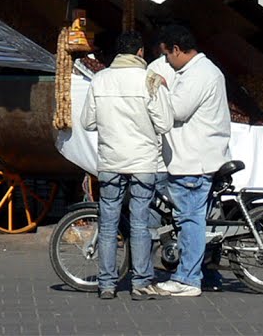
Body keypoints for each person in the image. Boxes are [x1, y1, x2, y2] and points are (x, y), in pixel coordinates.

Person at [81, 31, 173, 300]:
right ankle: (140, 282)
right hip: (143, 162)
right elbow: (165, 124)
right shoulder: (150, 81)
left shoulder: (100, 80)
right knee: (140, 223)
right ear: (141, 53)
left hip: (110, 161)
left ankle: (107, 284)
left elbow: (87, 122)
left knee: (108, 225)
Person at [155, 24, 231, 298]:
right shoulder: (200, 71)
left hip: (193, 160)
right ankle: (205, 273)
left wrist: (160, 88)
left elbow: (176, 110)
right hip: (200, 156)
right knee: (196, 219)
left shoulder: (198, 74)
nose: (165, 61)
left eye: (166, 55)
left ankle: (187, 279)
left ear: (176, 50)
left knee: (190, 219)